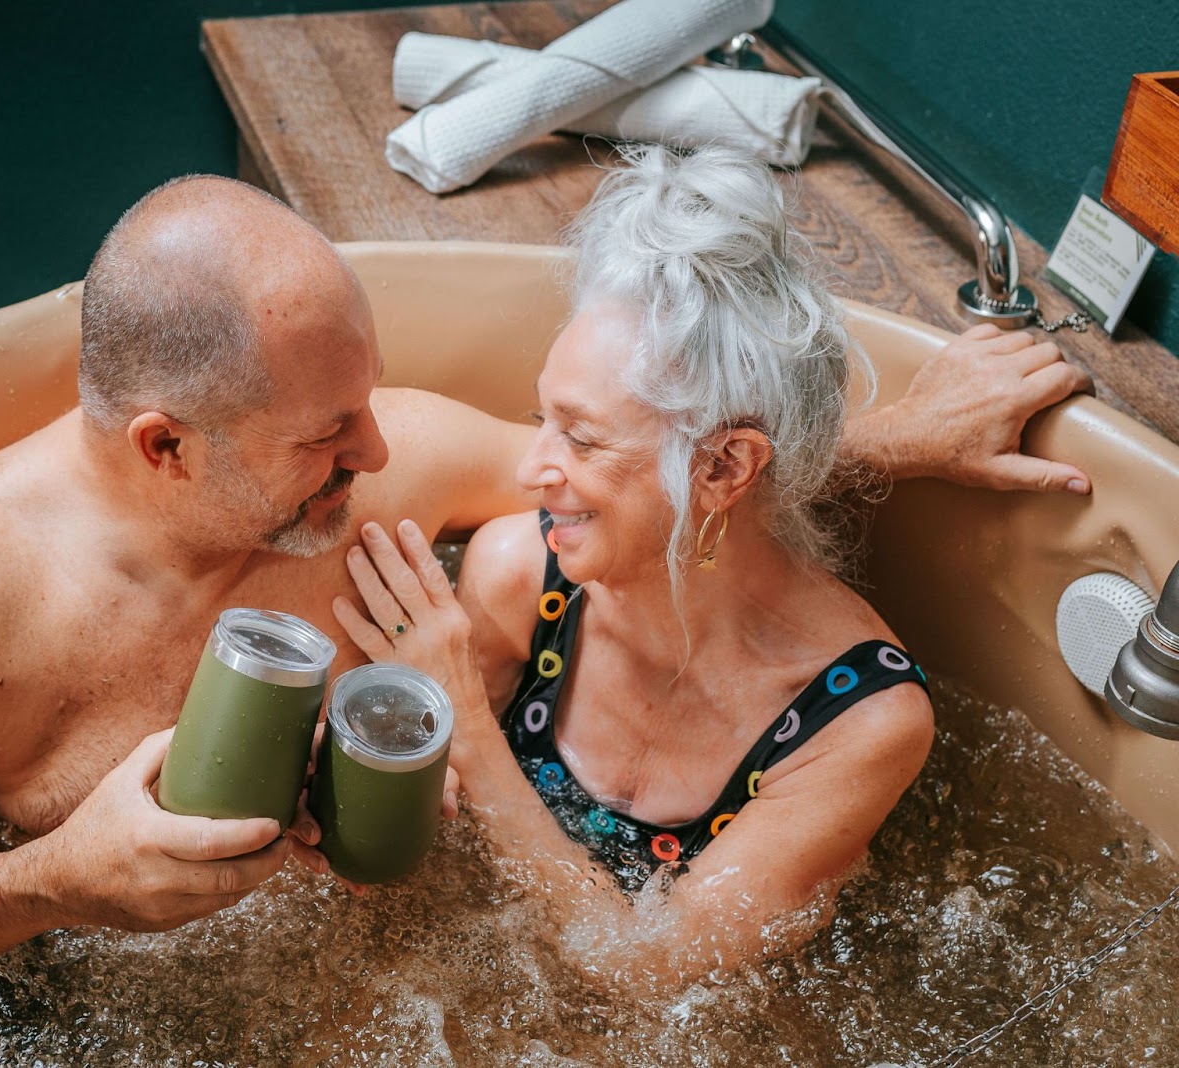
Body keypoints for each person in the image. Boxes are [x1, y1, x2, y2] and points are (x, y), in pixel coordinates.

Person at [0, 173, 1093, 970]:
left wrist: (901, 436)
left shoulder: (388, 462)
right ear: (167, 447)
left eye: (366, 402)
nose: (383, 445)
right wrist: (56, 886)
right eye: (326, 436)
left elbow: (672, 485)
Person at [332, 146, 1085, 987]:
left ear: (725, 468)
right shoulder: (519, 576)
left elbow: (655, 976)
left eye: (580, 437)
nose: (528, 469)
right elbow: (424, 853)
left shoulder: (861, 722)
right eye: (538, 418)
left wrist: (465, 723)